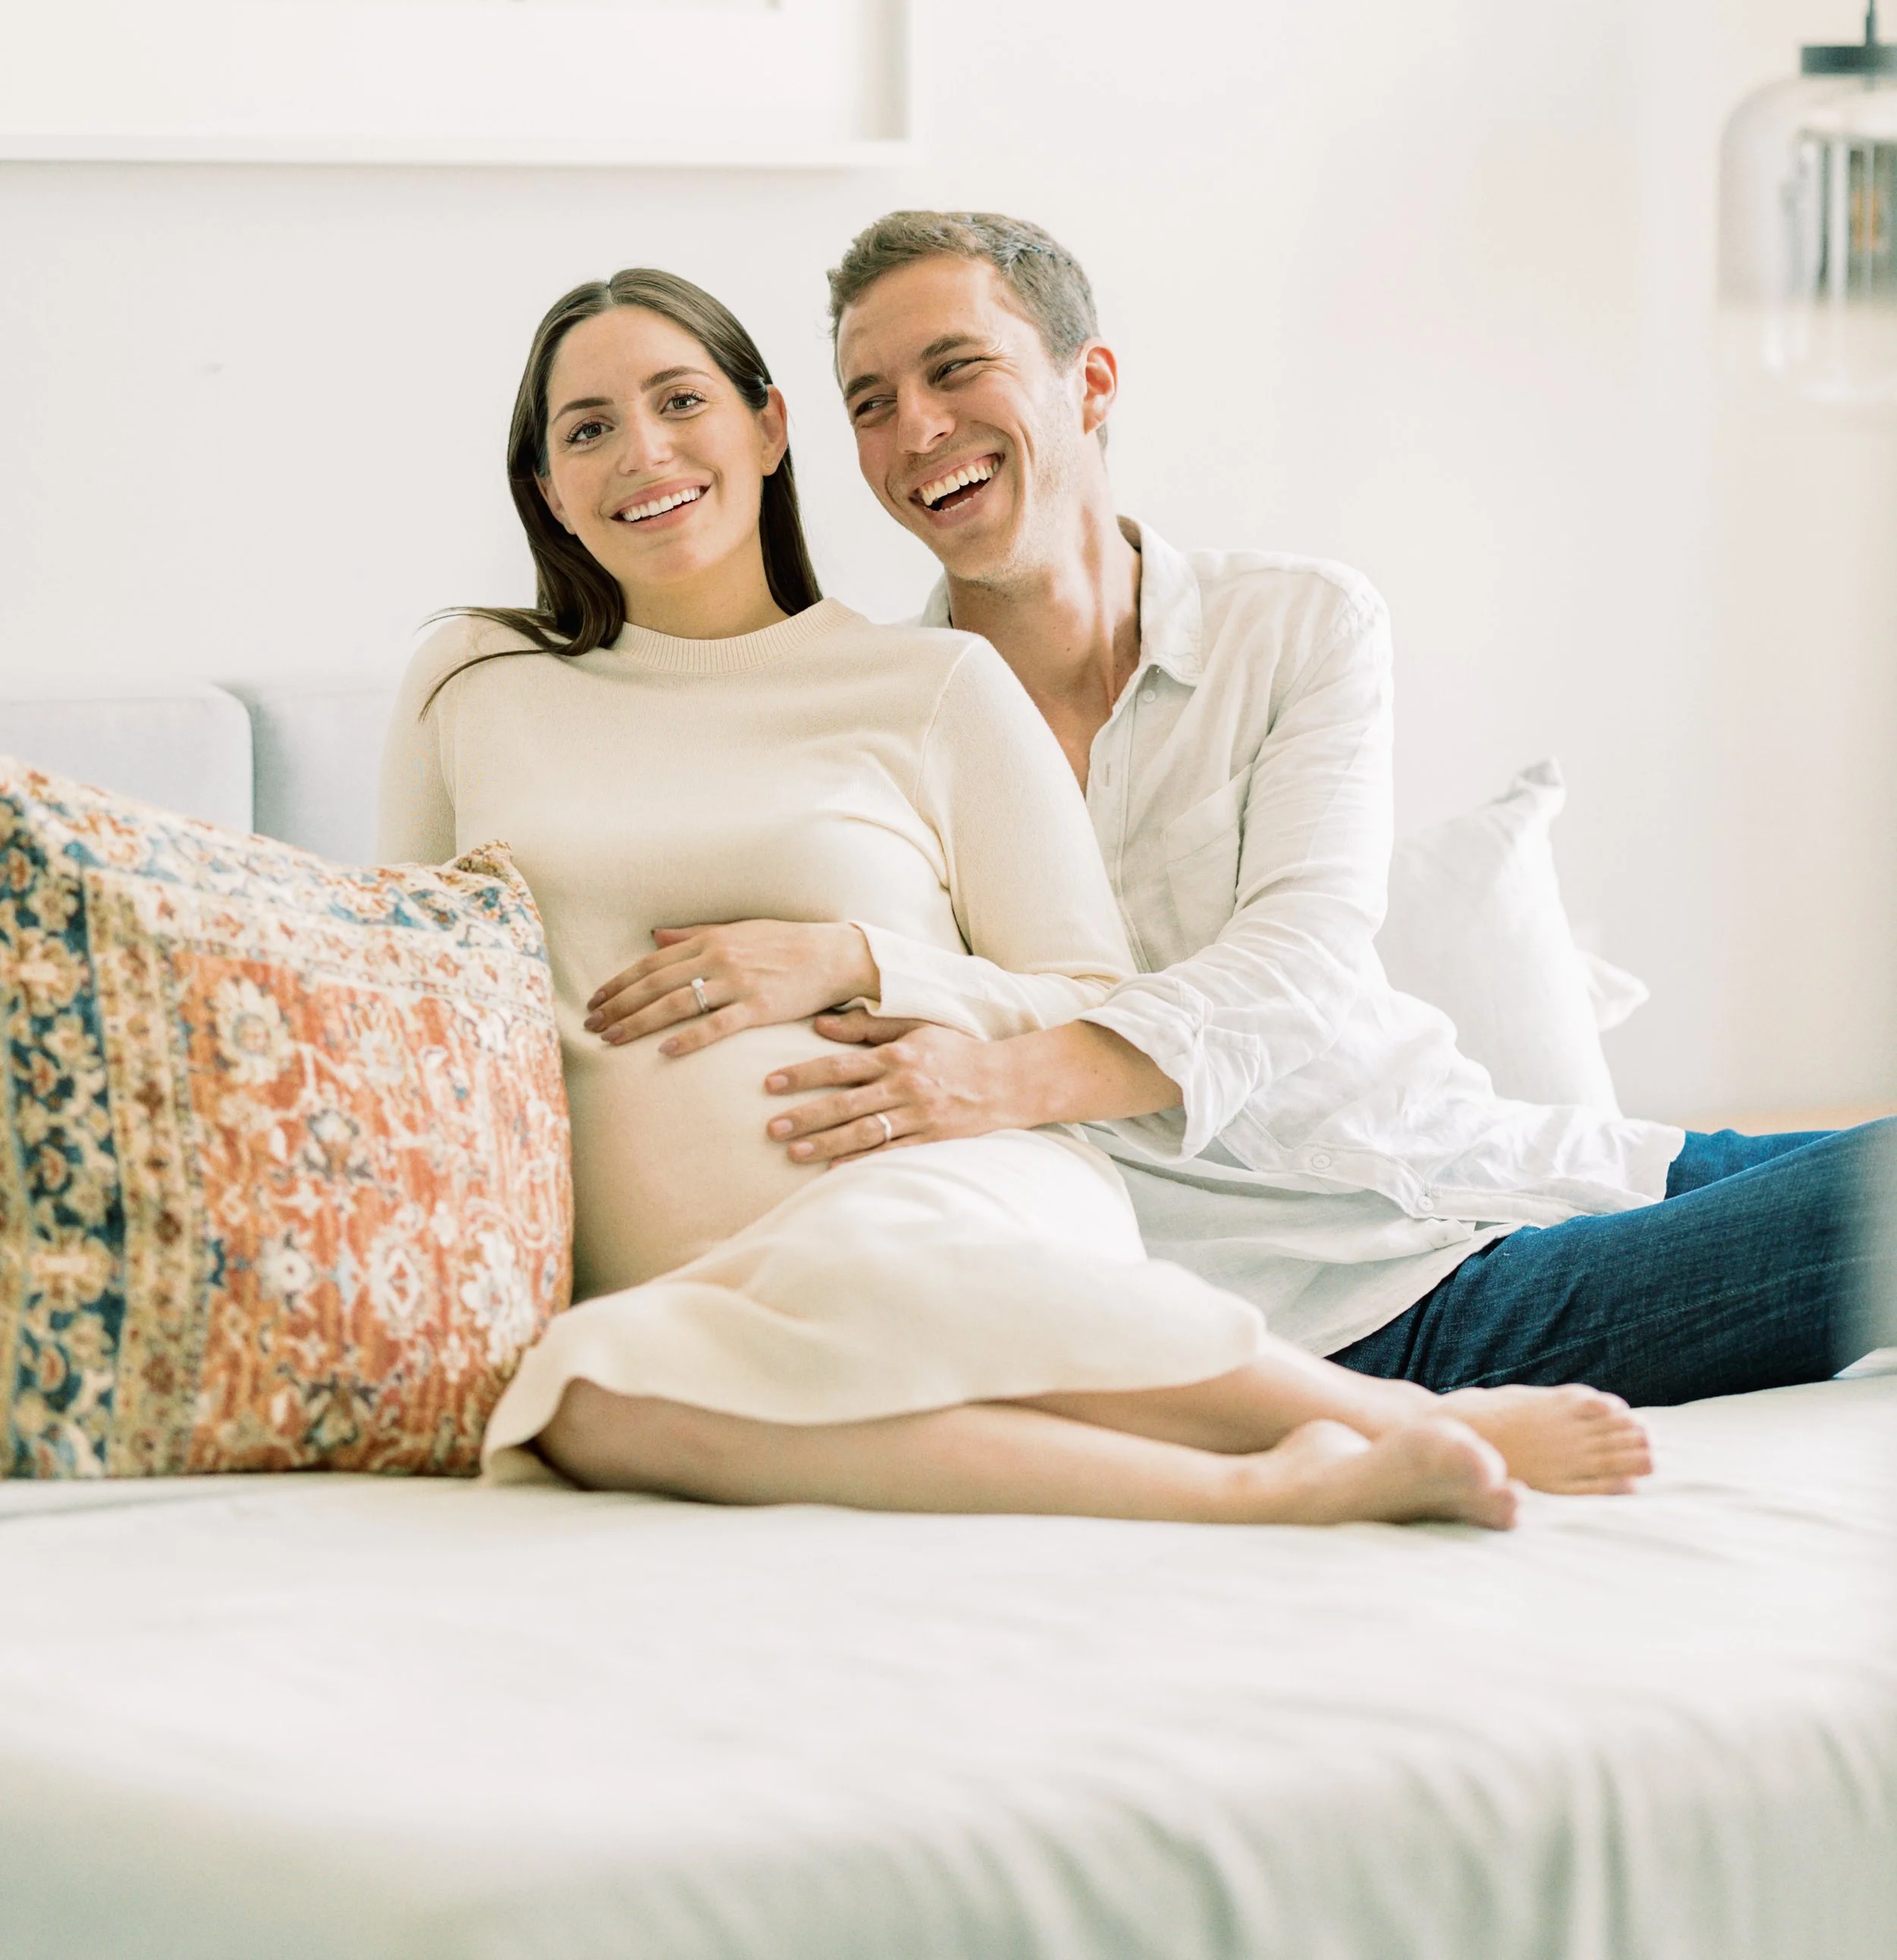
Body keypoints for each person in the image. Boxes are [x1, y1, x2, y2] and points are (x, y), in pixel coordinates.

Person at [379, 266, 1650, 1524]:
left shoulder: (933, 681)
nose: (641, 452)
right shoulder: (471, 683)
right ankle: (1267, 1484)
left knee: (859, 1262)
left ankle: (1389, 1417)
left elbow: (1090, 989)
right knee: (580, 1402)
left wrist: (859, 956)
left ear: (768, 427)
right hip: (682, 1277)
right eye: (587, 430)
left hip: (944, 1186)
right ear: (546, 489)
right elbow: (404, 990)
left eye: (679, 401)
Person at [588, 217, 1896, 1408]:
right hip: (1363, 1305)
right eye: (870, 402)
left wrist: (995, 1076)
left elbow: (1300, 963)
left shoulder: (1299, 622)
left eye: (956, 368)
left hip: (1512, 1156)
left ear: (1091, 384)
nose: (915, 427)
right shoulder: (877, 731)